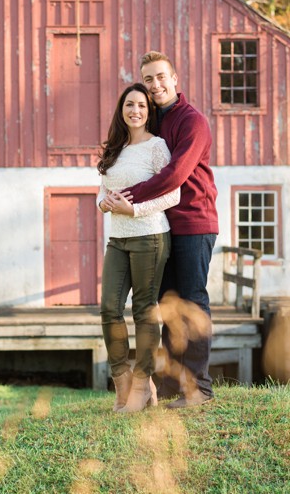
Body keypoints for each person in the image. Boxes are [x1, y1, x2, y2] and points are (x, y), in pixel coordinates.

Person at [114, 50, 219, 409]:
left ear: (175, 79)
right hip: (162, 225)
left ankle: (199, 389)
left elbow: (174, 176)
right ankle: (175, 387)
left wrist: (128, 197)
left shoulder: (193, 122)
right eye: (148, 79)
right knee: (168, 304)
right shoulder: (155, 121)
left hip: (193, 221)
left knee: (191, 301)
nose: (155, 84)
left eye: (161, 77)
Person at [97, 83, 180, 413]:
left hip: (150, 234)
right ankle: (122, 382)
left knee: (144, 309)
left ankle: (144, 384)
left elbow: (172, 195)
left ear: (149, 112)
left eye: (142, 106)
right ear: (121, 109)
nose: (136, 110)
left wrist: (133, 209)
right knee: (109, 308)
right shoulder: (114, 149)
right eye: (130, 105)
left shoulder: (157, 147)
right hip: (118, 238)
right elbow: (102, 192)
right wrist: (104, 205)